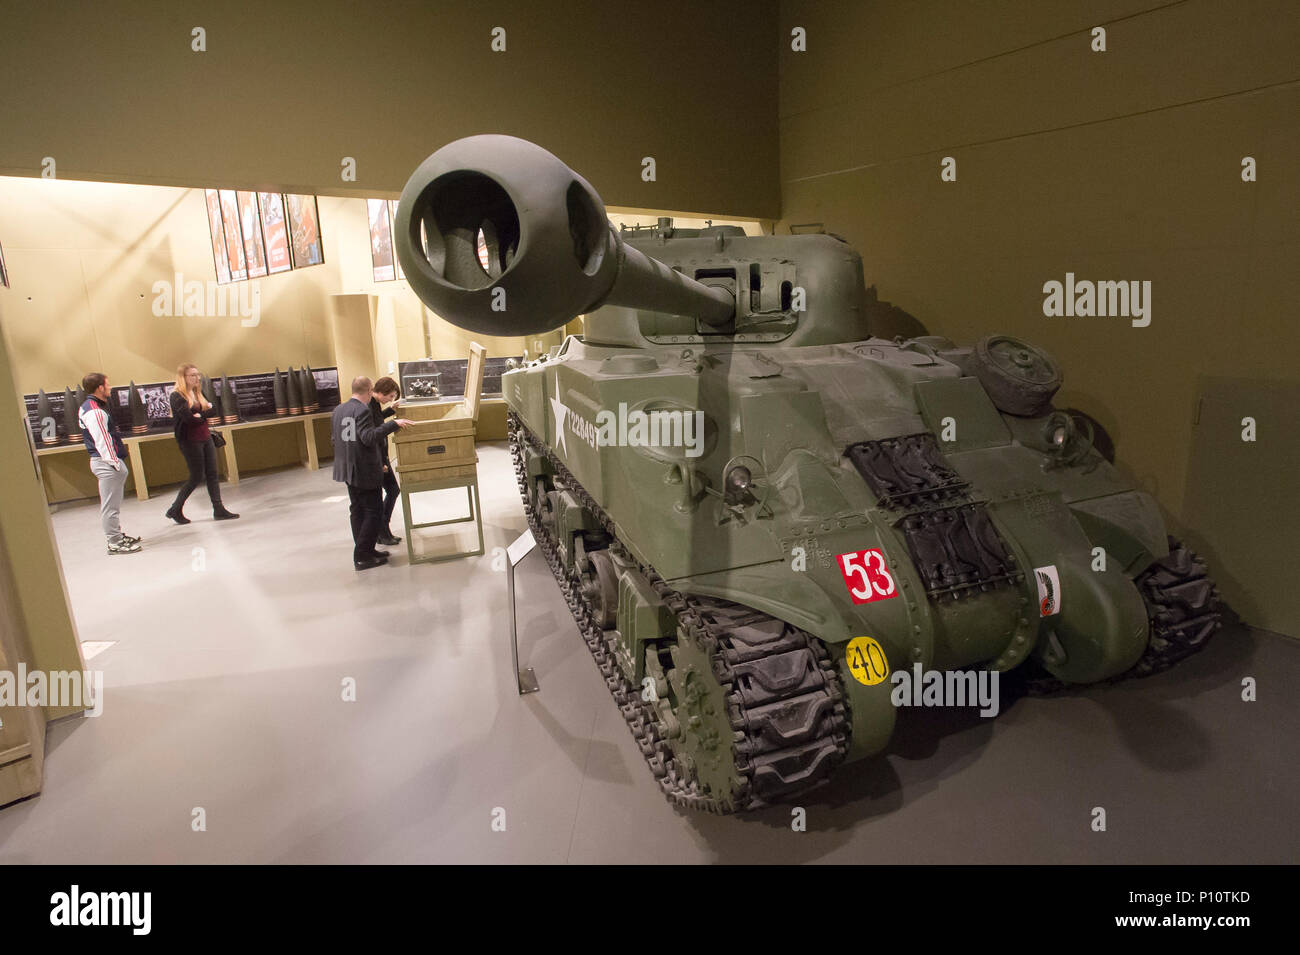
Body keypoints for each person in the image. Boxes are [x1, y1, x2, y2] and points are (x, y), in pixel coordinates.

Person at [331, 376, 413, 570]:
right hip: (364, 470)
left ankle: (366, 550)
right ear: (369, 391)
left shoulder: (339, 409)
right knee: (372, 512)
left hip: (348, 469)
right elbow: (368, 438)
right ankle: (362, 555)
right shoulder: (362, 410)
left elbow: (339, 440)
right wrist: (394, 424)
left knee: (357, 510)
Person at [165, 363, 239, 524]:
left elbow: (214, 410)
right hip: (189, 441)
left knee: (213, 473)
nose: (197, 378)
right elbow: (189, 419)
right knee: (196, 476)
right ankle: (175, 509)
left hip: (205, 437)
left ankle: (218, 509)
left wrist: (200, 415)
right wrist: (201, 414)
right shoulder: (176, 396)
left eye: (197, 374)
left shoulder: (198, 392)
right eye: (192, 375)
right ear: (183, 377)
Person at [78, 372, 141, 555]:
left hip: (104, 463)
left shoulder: (89, 406)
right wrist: (115, 464)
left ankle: (117, 536)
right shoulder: (95, 411)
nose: (110, 388)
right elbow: (103, 441)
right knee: (110, 507)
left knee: (112, 506)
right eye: (108, 384)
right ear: (100, 388)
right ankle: (114, 542)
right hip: (105, 464)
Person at [370, 376, 403, 546]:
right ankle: (382, 531)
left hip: (381, 457)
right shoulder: (369, 405)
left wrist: (391, 410)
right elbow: (375, 432)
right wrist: (382, 463)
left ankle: (382, 531)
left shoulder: (373, 404)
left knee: (392, 491)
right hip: (379, 459)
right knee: (393, 490)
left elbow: (378, 420)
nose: (390, 399)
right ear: (382, 392)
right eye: (390, 397)